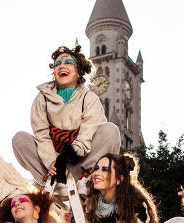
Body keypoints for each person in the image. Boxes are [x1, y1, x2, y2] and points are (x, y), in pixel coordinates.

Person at [12, 44, 120, 188]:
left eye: (68, 63)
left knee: (110, 130)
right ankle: (52, 182)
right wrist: (52, 162)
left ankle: (88, 178)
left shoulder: (90, 98)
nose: (61, 66)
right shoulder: (42, 98)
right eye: (57, 64)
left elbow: (88, 134)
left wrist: (68, 157)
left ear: (79, 71)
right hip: (53, 164)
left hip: (80, 160)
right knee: (19, 138)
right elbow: (42, 135)